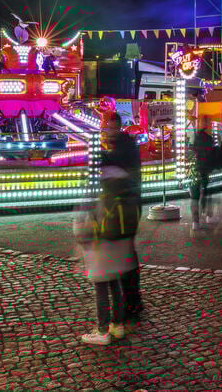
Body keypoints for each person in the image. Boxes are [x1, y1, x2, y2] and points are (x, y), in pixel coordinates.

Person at [76, 162, 140, 345]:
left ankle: (102, 331)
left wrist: (81, 235)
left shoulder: (97, 179)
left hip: (102, 240)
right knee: (115, 283)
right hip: (121, 240)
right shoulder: (123, 177)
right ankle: (117, 325)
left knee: (101, 286)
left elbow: (85, 208)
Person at [101, 113, 143, 324]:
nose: (107, 133)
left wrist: (99, 155)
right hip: (129, 207)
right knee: (127, 253)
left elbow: (116, 167)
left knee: (125, 254)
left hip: (126, 208)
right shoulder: (126, 146)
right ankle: (132, 299)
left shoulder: (123, 148)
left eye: (109, 129)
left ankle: (130, 302)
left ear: (116, 127)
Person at [190, 116, 217, 230]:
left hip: (195, 169)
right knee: (207, 192)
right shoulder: (210, 139)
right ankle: (208, 215)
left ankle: (195, 222)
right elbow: (213, 155)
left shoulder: (193, 137)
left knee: (194, 196)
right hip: (206, 169)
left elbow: (189, 151)